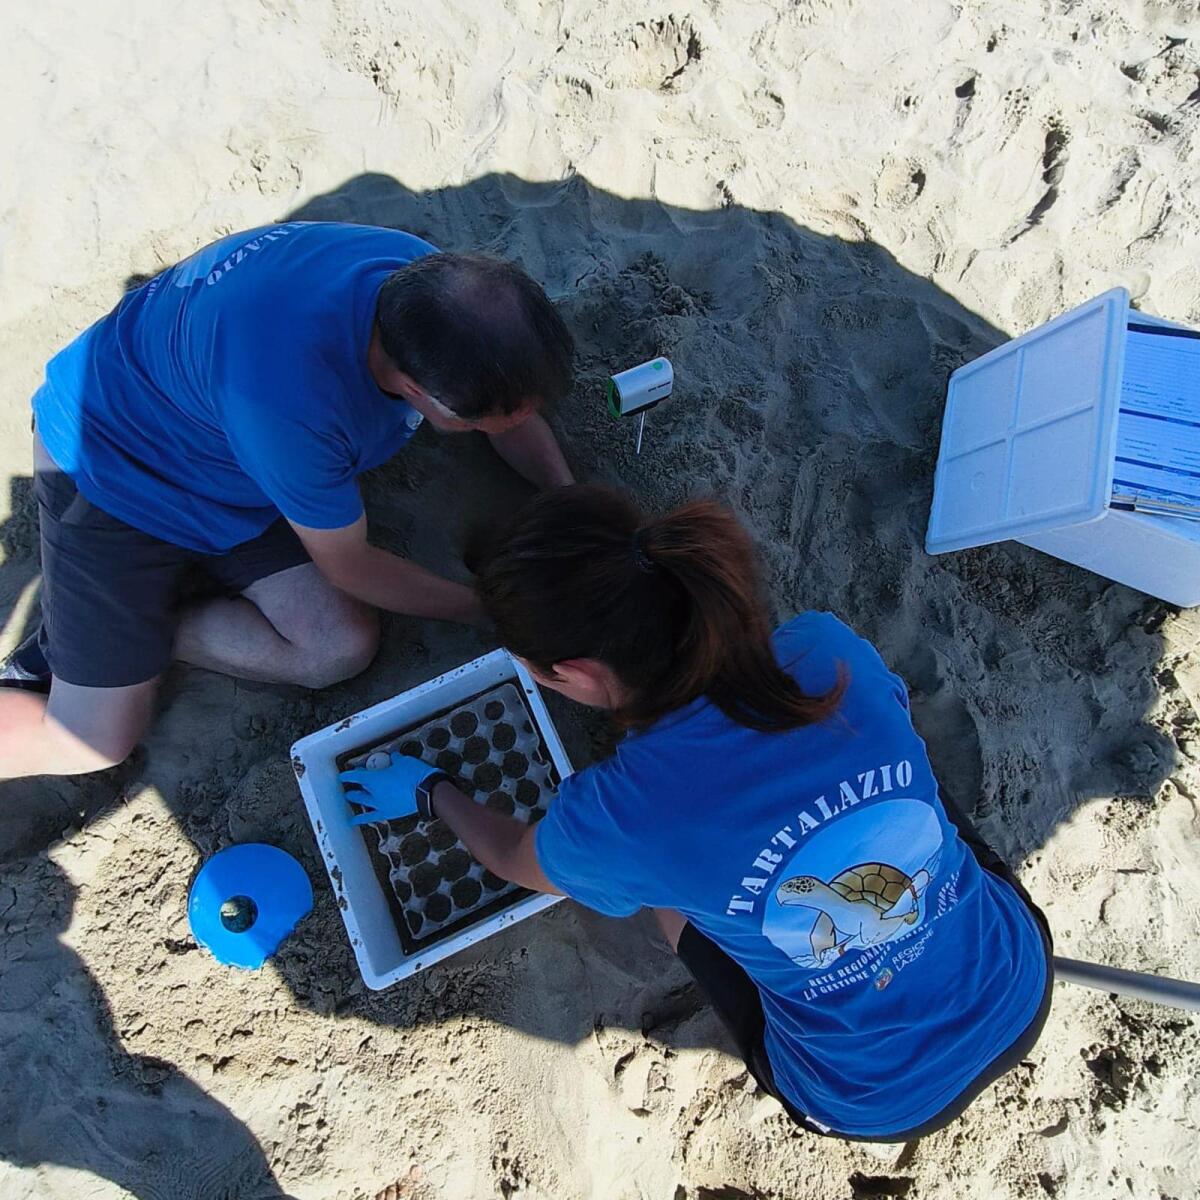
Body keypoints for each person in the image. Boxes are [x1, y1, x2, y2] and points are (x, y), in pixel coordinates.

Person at [345, 485, 1054, 1141]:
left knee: (664, 895)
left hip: (867, 1099)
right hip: (1019, 982)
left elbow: (510, 860)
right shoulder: (824, 648)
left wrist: (431, 791)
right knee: (899, 776)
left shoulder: (621, 816)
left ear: (581, 675)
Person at [0, 221, 575, 780]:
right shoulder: (294, 409)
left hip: (229, 451)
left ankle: (137, 630)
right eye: (476, 423)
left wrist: (567, 497)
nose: (496, 427)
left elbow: (509, 416)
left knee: (337, 647)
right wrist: (489, 609)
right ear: (418, 391)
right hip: (114, 467)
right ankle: (94, 646)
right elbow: (350, 565)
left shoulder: (425, 285)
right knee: (91, 739)